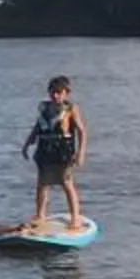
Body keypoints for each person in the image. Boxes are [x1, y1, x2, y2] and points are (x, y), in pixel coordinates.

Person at [22, 75, 88, 231]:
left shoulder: (71, 109)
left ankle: (75, 217)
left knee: (67, 183)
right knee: (42, 184)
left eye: (59, 92)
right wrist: (27, 144)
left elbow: (82, 131)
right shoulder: (44, 108)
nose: (55, 95)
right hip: (45, 149)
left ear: (66, 93)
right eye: (52, 92)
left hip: (63, 151)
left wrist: (80, 152)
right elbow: (37, 127)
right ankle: (40, 215)